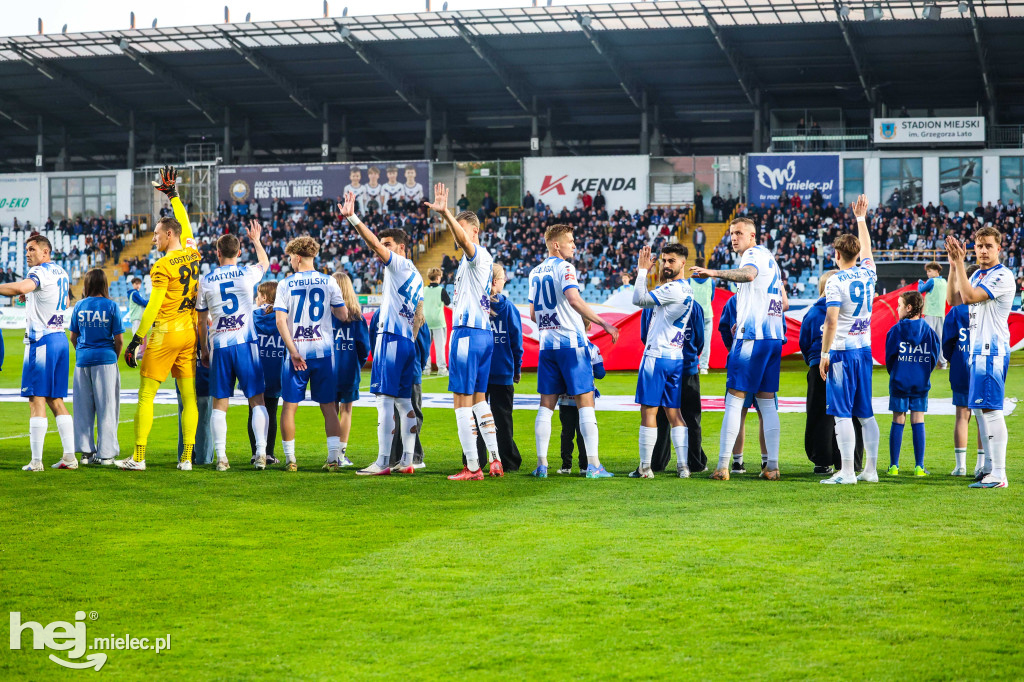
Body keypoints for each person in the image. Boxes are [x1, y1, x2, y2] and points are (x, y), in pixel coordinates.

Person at [117, 166, 202, 472]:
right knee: (188, 397)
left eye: (155, 235)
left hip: (165, 332)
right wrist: (174, 197)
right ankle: (188, 458)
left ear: (168, 235)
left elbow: (152, 306)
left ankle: (138, 457)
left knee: (146, 395)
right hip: (189, 332)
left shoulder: (162, 265)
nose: (153, 240)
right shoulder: (193, 253)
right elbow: (187, 226)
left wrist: (136, 340)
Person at [690, 217, 786, 481]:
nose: (734, 237)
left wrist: (713, 273)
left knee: (734, 401)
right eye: (732, 233)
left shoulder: (752, 255)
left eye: (740, 233)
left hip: (752, 337)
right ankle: (772, 467)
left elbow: (749, 275)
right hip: (774, 336)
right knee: (767, 404)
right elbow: (784, 302)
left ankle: (723, 466)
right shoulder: (772, 260)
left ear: (753, 236)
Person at [338, 191, 424, 476]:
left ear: (400, 248)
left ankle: (383, 462)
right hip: (406, 342)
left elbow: (372, 242)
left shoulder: (398, 264)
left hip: (390, 339)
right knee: (403, 402)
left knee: (384, 402)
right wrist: (409, 338)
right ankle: (408, 460)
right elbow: (419, 316)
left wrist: (352, 217)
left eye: (388, 245)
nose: (380, 250)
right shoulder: (417, 275)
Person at [525, 223, 620, 479]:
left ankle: (542, 465)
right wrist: (604, 323)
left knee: (546, 406)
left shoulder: (534, 272)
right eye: (571, 241)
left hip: (546, 346)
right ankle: (594, 465)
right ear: (557, 244)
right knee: (585, 403)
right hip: (571, 344)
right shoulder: (565, 268)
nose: (574, 246)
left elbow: (533, 313)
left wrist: (551, 324)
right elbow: (574, 299)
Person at [424, 182, 504, 480]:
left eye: (462, 229)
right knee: (480, 399)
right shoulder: (476, 262)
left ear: (474, 232)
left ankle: (472, 466)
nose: (456, 234)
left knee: (461, 401)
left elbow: (464, 240)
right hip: (482, 335)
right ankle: (494, 459)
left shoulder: (477, 254)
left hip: (467, 334)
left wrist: (445, 213)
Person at [195, 221, 270, 471]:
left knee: (220, 404)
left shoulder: (205, 281)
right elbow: (265, 263)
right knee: (257, 400)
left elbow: (201, 319)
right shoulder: (247, 273)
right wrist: (257, 240)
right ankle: (260, 454)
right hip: (246, 343)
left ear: (217, 253)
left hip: (220, 346)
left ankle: (222, 458)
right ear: (239, 253)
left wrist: (204, 350)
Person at [818, 194, 882, 485]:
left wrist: (824, 353)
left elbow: (831, 321)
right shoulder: (869, 273)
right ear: (857, 255)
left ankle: (846, 472)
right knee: (866, 413)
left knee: (842, 413)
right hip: (864, 350)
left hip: (842, 352)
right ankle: (870, 470)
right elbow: (867, 247)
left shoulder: (834, 280)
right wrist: (861, 220)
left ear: (836, 255)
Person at [945, 227, 1016, 489]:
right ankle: (988, 467)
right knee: (979, 410)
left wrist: (961, 264)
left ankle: (999, 473)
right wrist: (954, 265)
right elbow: (954, 299)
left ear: (999, 248)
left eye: (988, 245)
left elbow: (971, 296)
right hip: (977, 351)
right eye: (979, 246)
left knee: (991, 410)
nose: (983, 250)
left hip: (991, 350)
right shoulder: (976, 274)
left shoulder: (1002, 275)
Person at [274, 236, 349, 472]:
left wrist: (293, 351)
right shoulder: (328, 281)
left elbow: (280, 320)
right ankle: (333, 459)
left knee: (289, 407)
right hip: (323, 352)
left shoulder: (285, 283)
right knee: (329, 407)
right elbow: (343, 315)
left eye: (290, 259)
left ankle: (291, 460)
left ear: (297, 257)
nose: (290, 263)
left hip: (296, 353)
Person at [0, 234, 75, 471]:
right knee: (56, 400)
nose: (28, 253)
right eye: (26, 250)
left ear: (45, 252)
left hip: (40, 340)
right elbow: (43, 295)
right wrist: (30, 295)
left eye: (32, 249)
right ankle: (70, 457)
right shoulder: (61, 272)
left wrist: (25, 290)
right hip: (59, 339)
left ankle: (36, 461)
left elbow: (23, 286)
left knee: (36, 400)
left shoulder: (39, 272)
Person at [629, 244, 696, 479]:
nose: (666, 265)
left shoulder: (672, 290)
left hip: (656, 357)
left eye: (672, 261)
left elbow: (638, 299)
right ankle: (683, 467)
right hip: (675, 358)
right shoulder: (687, 290)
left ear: (683, 263)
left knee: (648, 411)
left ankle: (645, 468)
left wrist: (641, 271)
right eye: (664, 260)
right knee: (674, 413)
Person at [69, 269, 124, 466]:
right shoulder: (111, 306)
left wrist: (83, 352)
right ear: (104, 284)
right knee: (107, 407)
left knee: (83, 409)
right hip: (106, 360)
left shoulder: (79, 306)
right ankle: (107, 454)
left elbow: (73, 337)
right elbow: (119, 340)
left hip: (82, 360)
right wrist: (113, 358)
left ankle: (86, 453)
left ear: (87, 284)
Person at [885, 290, 940, 477]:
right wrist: (922, 373)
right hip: (920, 383)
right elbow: (933, 358)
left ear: (909, 308)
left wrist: (897, 373)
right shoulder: (930, 332)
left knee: (898, 419)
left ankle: (894, 466)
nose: (897, 308)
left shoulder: (895, 331)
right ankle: (919, 467)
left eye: (899, 305)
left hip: (900, 382)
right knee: (918, 420)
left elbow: (889, 358)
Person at [475, 263, 523, 471]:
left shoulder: (476, 306)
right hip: (503, 371)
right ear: (495, 282)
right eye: (503, 278)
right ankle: (508, 460)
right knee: (503, 418)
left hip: (479, 372)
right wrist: (517, 368)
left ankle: (476, 459)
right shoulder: (509, 308)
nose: (505, 281)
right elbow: (516, 342)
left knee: (477, 418)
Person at [800, 271, 845, 474]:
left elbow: (804, 341)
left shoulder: (812, 313)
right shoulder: (847, 311)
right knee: (845, 413)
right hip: (844, 366)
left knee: (819, 413)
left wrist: (812, 360)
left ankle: (822, 460)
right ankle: (847, 460)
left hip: (818, 365)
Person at [942, 265, 981, 477]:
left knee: (961, 416)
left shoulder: (956, 312)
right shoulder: (987, 306)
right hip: (984, 365)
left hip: (962, 366)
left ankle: (961, 465)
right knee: (983, 416)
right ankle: (982, 465)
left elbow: (947, 344)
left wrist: (955, 358)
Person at [329, 271, 369, 470]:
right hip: (349, 370)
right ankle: (340, 455)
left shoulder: (326, 314)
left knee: (331, 411)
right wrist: (356, 363)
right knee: (346, 410)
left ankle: (331, 454)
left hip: (328, 370)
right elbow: (364, 348)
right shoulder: (357, 317)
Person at [557, 340, 605, 475]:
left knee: (567, 433)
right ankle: (584, 466)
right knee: (584, 432)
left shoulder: (561, 346)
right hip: (585, 399)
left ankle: (566, 466)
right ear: (589, 327)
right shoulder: (592, 348)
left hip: (565, 398)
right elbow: (600, 373)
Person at [249, 282, 283, 467]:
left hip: (254, 369)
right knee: (271, 411)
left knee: (253, 411)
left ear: (263, 297)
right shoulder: (283, 317)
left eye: (257, 295)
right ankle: (268, 453)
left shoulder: (251, 316)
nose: (255, 298)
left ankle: (256, 453)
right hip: (276, 370)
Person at [918, 261, 948, 369]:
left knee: (927, 338)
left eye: (929, 271)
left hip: (930, 313)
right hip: (941, 313)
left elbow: (920, 290)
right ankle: (943, 363)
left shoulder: (931, 281)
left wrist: (920, 282)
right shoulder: (945, 282)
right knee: (940, 339)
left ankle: (927, 361)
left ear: (936, 271)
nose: (928, 274)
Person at [423, 267, 450, 377]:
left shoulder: (424, 289)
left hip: (426, 321)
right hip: (438, 322)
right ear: (438, 278)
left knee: (426, 347)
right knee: (440, 347)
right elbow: (448, 302)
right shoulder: (441, 290)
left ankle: (426, 368)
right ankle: (442, 369)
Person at [689, 258, 714, 374]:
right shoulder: (711, 281)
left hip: (693, 315)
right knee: (706, 341)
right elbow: (712, 297)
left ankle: (693, 365)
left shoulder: (689, 281)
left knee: (692, 341)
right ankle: (704, 367)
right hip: (707, 314)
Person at [127, 277, 149, 360]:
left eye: (139, 284)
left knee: (139, 335)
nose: (138, 285)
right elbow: (142, 302)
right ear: (133, 284)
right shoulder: (134, 293)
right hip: (136, 317)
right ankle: (136, 353)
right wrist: (151, 301)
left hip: (137, 317)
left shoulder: (135, 293)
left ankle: (138, 352)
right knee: (138, 335)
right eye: (136, 284)